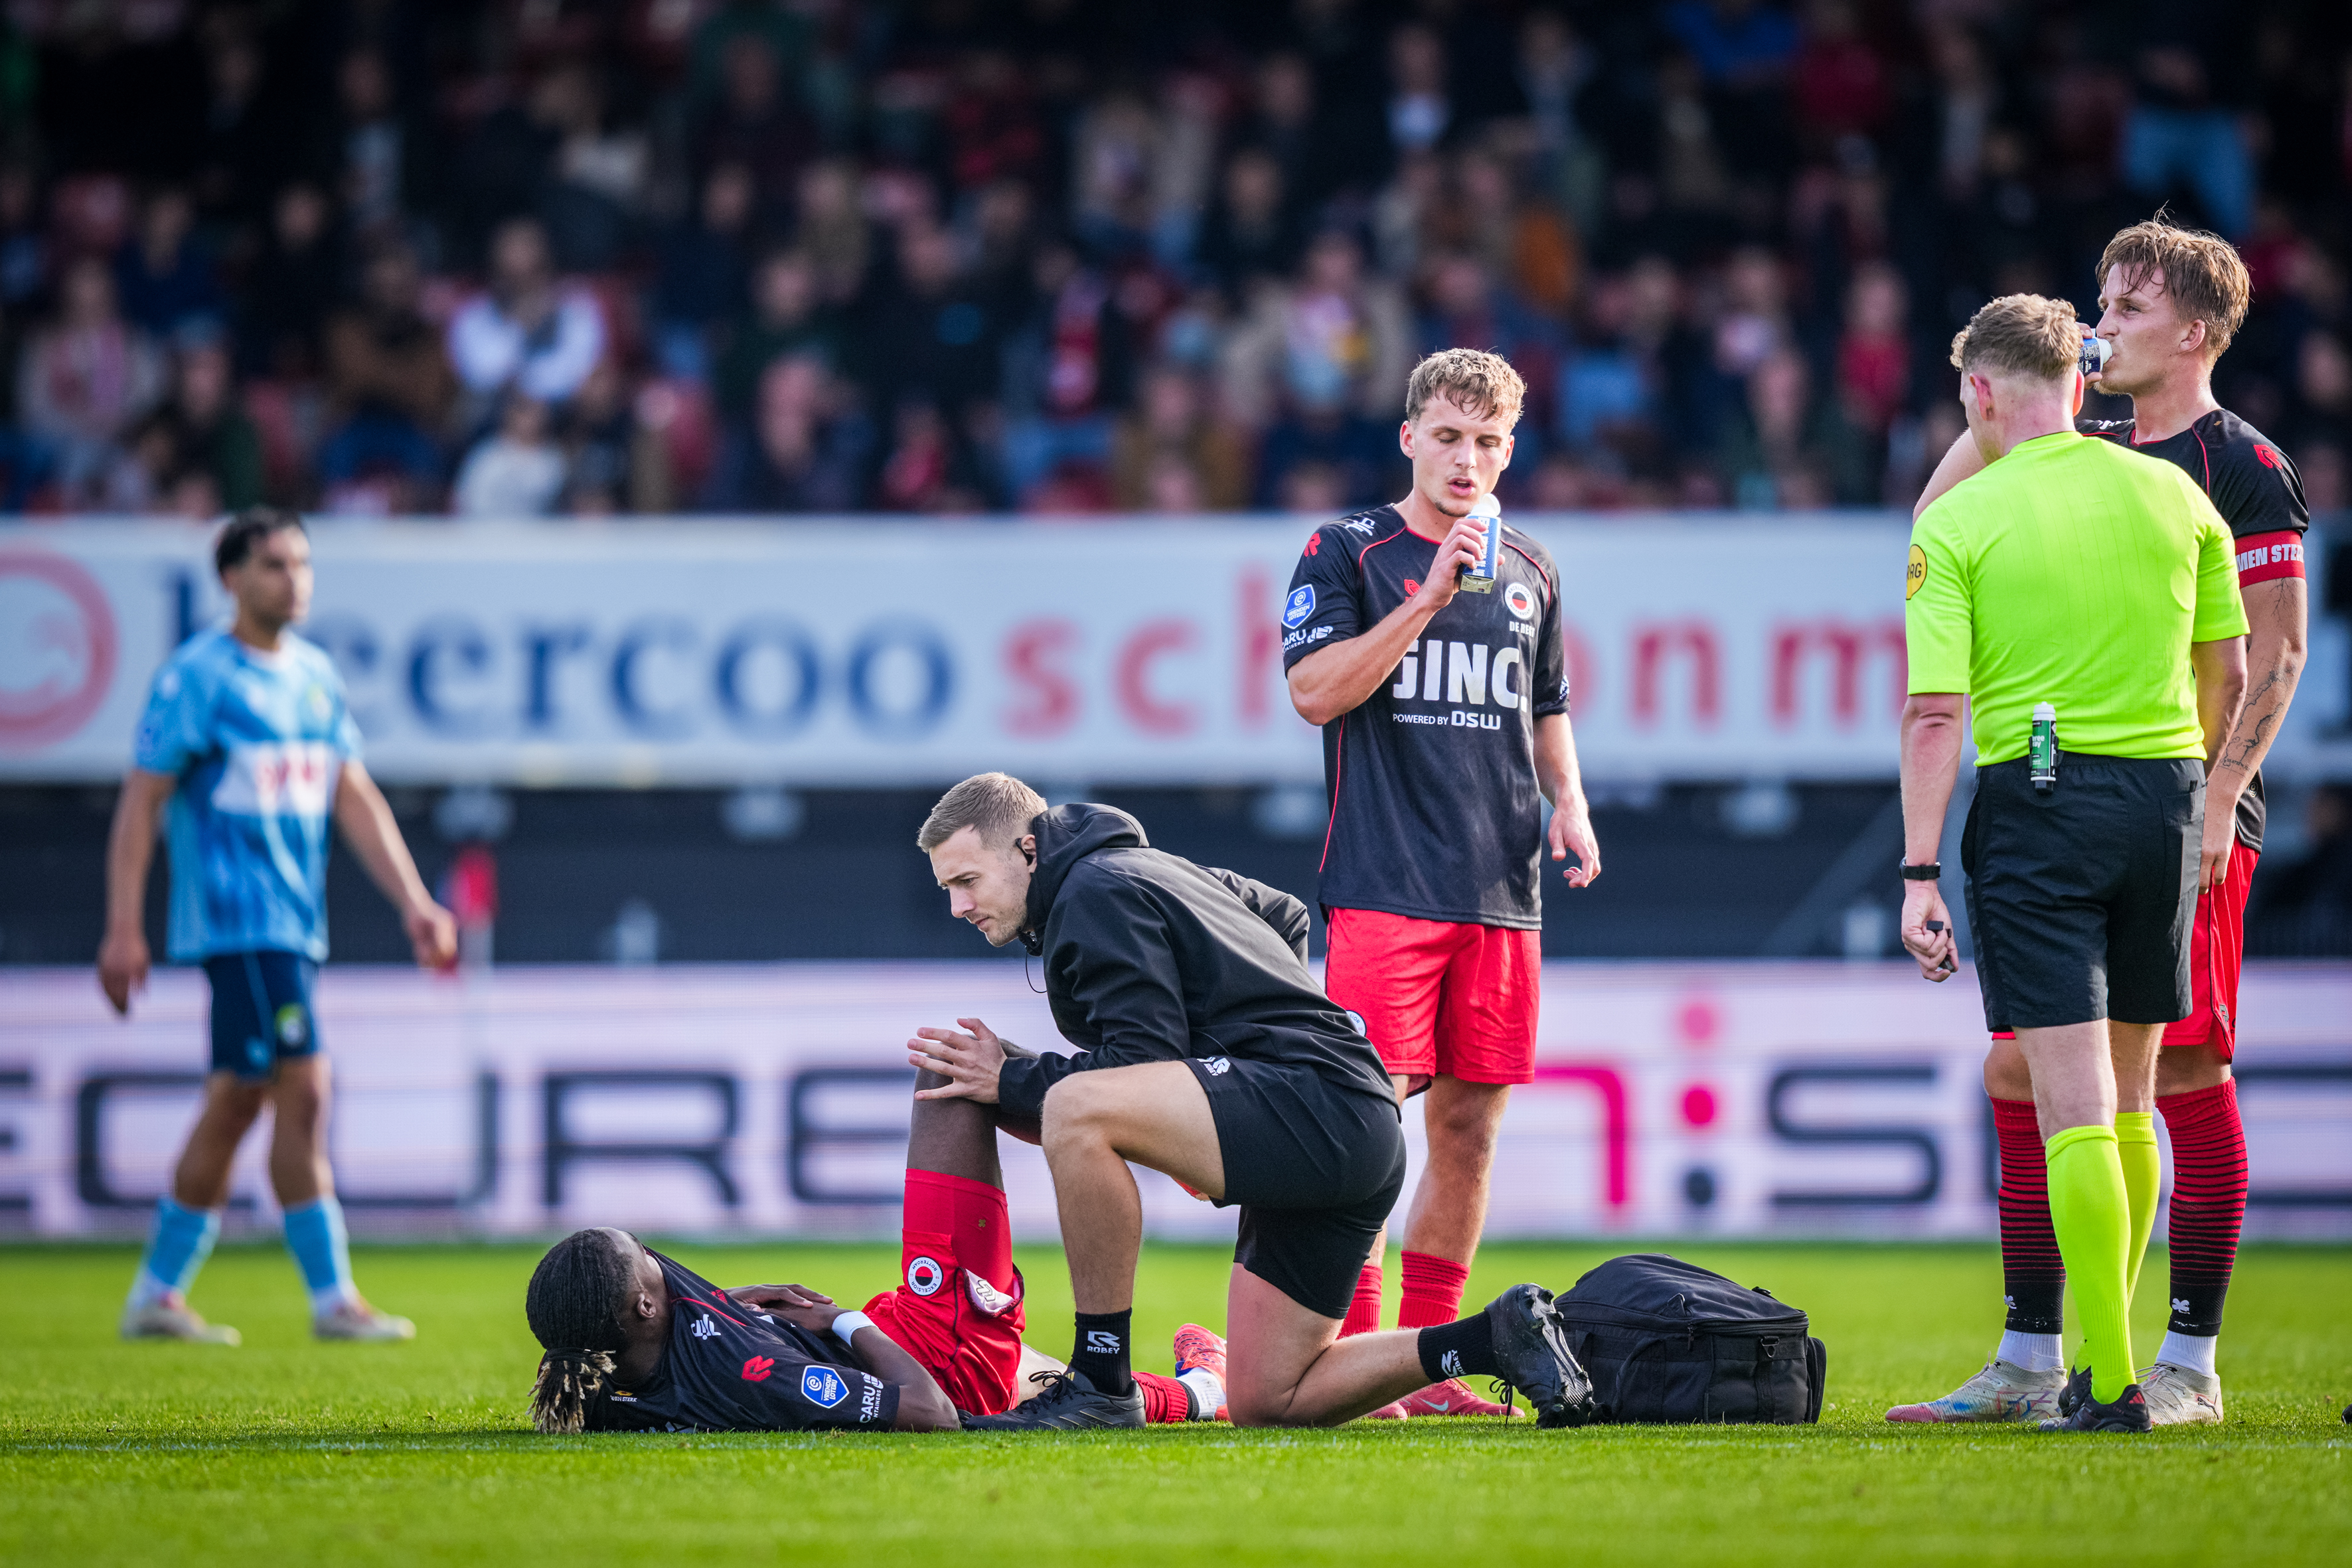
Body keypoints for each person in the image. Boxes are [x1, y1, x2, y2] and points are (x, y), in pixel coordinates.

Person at [1890, 220, 2308, 1428]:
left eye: (2122, 306)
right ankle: (2036, 1354)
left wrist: (2218, 803)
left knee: (2180, 1070)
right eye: (2094, 306)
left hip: (2185, 798)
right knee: (2022, 1067)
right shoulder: (2100, 447)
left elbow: (2269, 659)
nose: (2099, 321)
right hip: (2128, 804)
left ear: (2192, 332)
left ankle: (2184, 1357)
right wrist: (2021, 379)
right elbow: (1932, 512)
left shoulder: (2238, 462)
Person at [906, 773, 1597, 1431]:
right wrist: (1253, 1043)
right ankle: (1492, 1338)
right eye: (945, 888)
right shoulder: (1142, 869)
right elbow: (1283, 913)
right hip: (1343, 1118)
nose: (957, 906)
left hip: (1314, 1103)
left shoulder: (1093, 887)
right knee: (1273, 1396)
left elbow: (1140, 1064)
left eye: (967, 881)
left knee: (1074, 1107)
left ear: (1029, 849)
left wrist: (1016, 1079)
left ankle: (1100, 1382)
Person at [1279, 348, 1601, 1417]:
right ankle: (1353, 1360)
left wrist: (1570, 799)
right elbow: (1314, 694)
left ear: (1511, 448)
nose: (1469, 460)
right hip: (1382, 885)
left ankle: (1432, 1367)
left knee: (1467, 1129)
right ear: (1408, 436)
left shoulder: (1535, 569)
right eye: (1449, 437)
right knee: (1366, 1131)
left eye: (1489, 441)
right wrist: (1424, 601)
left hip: (1501, 892)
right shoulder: (1347, 550)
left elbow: (1543, 703)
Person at [100, 509, 458, 1346]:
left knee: (240, 1101)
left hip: (296, 925)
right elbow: (142, 800)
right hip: (237, 923)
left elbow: (352, 794)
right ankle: (331, 1298)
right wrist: (124, 925)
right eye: (272, 565)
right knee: (302, 1087)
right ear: (230, 578)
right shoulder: (198, 677)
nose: (292, 579)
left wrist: (414, 901)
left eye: (300, 563)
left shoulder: (314, 676)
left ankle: (160, 1290)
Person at [524, 1066, 1229, 1433]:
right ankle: (1185, 1146)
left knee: (1044, 1376)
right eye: (642, 1254)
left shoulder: (600, 1375)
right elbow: (930, 1414)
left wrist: (733, 1306)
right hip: (934, 1360)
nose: (652, 1251)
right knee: (949, 1076)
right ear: (646, 1303)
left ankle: (1207, 1390)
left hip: (903, 1337)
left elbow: (659, 1350)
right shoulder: (750, 1370)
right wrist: (840, 1324)